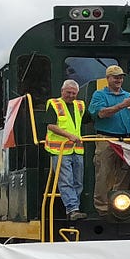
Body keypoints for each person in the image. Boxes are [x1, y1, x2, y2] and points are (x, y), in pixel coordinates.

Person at [87, 65, 130, 215]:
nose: (119, 80)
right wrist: (121, 106)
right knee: (103, 173)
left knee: (124, 172)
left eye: (121, 77)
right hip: (106, 138)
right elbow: (101, 114)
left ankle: (119, 206)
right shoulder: (99, 95)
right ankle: (102, 208)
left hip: (126, 140)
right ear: (108, 78)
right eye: (116, 77)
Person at [44, 78, 87, 221]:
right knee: (66, 180)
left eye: (74, 93)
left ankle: (75, 209)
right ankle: (72, 209)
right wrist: (69, 136)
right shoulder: (54, 104)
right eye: (68, 92)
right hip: (59, 150)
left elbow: (87, 119)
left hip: (77, 150)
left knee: (78, 182)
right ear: (62, 91)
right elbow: (50, 125)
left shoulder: (80, 105)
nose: (71, 95)